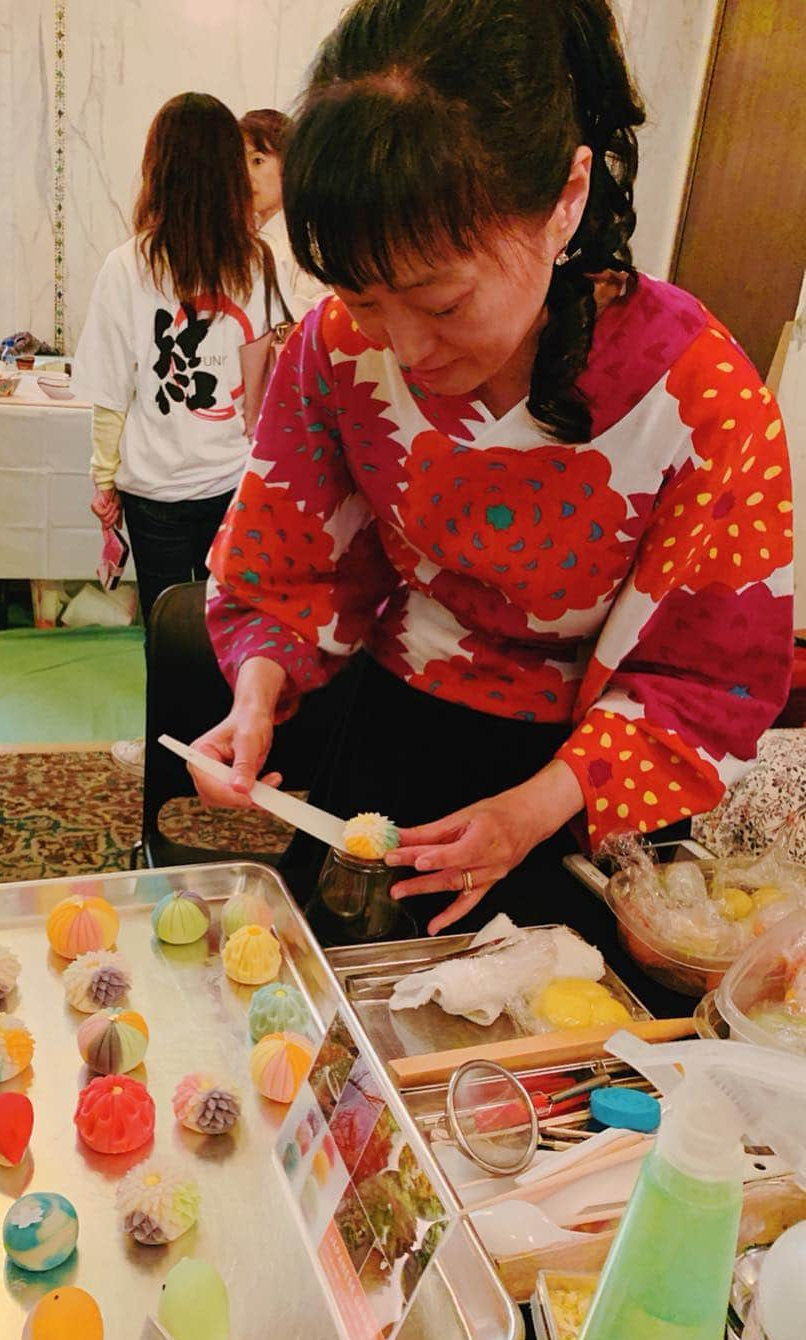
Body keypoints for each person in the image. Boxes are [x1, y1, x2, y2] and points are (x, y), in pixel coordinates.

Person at [190, 0, 793, 945]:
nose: (402, 345)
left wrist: (535, 809)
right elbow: (289, 562)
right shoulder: (338, 348)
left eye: (441, 300)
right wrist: (256, 693)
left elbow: (707, 680)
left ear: (566, 197)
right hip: (396, 736)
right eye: (360, 295)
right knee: (346, 1032)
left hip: (586, 790)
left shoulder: (700, 398)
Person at [76, 92, 280, 775]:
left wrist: (102, 482)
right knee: (234, 624)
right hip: (234, 481)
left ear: (156, 167)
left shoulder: (125, 265)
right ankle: (231, 746)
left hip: (155, 488)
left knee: (164, 631)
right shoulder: (255, 261)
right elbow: (259, 385)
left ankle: (169, 760)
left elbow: (108, 393)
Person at [239, 108, 330, 320]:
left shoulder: (309, 234)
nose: (246, 175)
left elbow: (319, 306)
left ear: (290, 162)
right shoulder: (241, 236)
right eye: (238, 165)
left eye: (257, 161)